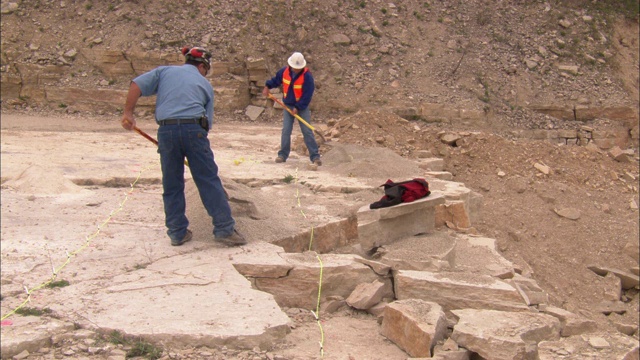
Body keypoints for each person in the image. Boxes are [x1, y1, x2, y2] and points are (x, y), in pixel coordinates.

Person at [120, 46, 246, 247]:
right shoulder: (205, 84)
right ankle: (224, 229)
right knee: (208, 179)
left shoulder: (164, 72)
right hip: (194, 130)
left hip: (166, 131)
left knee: (172, 183)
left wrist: (128, 113)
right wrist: (197, 150)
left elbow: (136, 85)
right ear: (203, 67)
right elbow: (208, 124)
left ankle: (177, 232)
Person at [262, 52, 321, 165]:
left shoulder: (307, 76)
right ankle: (282, 155)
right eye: (294, 68)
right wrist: (267, 86)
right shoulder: (284, 71)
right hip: (288, 106)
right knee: (286, 131)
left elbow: (307, 95)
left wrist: (298, 107)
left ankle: (315, 157)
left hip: (301, 107)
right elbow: (275, 80)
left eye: (298, 68)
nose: (296, 70)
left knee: (307, 131)